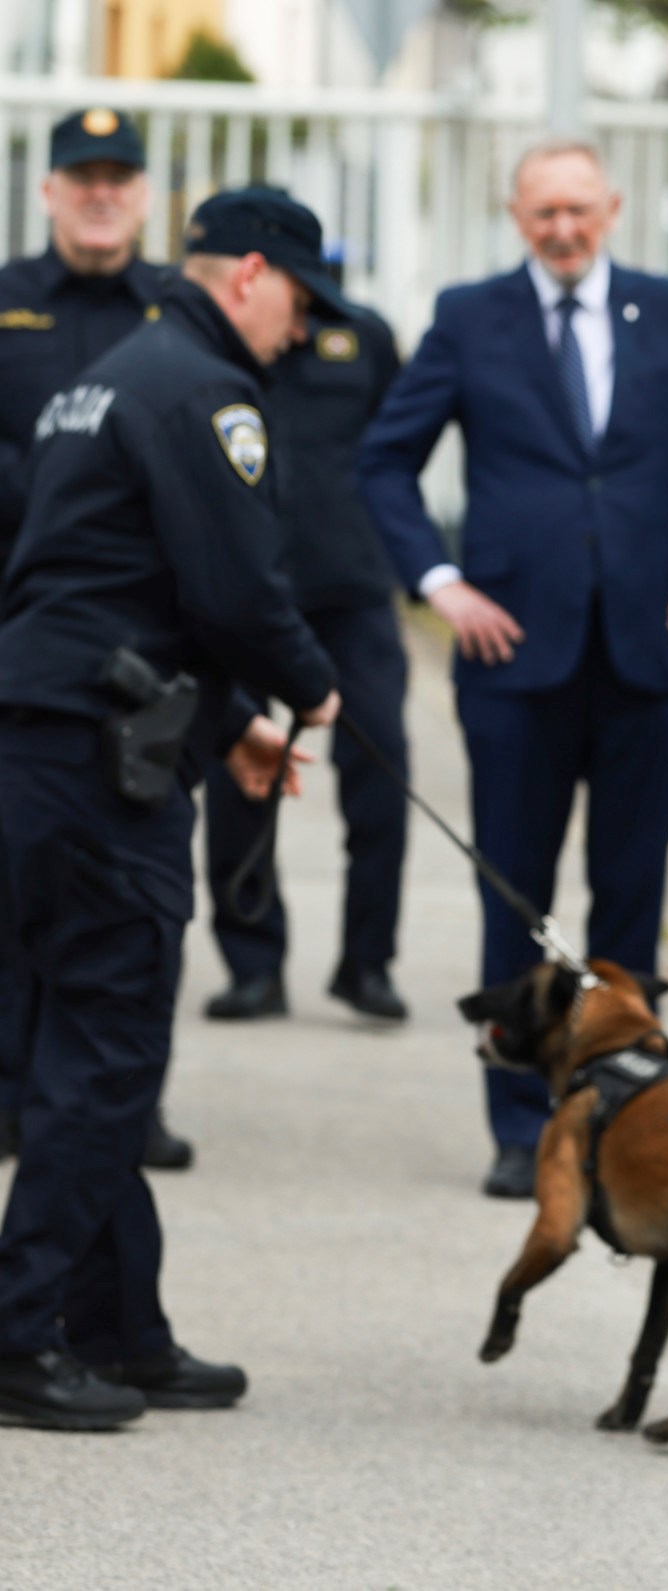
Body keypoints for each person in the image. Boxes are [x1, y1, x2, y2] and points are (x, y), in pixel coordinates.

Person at [357, 138, 668, 1200]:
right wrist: (441, 583)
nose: (563, 228)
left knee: (630, 899)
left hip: (648, 654)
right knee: (515, 896)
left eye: (579, 209)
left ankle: (620, 1120)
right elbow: (385, 460)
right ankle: (520, 1126)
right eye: (543, 211)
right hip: (513, 659)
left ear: (612, 209)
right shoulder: (470, 316)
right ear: (516, 216)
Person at [0, 187, 343, 1430]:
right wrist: (312, 687)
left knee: (77, 1044)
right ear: (249, 273)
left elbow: (102, 577)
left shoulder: (108, 378)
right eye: (298, 300)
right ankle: (18, 1334)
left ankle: (117, 1329)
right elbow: (234, 590)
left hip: (49, 733)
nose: (300, 329)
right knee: (108, 1049)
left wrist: (230, 719)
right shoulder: (207, 391)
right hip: (102, 765)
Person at [0, 107, 192, 1173]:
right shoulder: (6, 301)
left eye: (120, 178)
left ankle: (124, 1102)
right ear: (50, 192)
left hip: (136, 642)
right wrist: (66, 492)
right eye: (84, 178)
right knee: (17, 868)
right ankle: (13, 1090)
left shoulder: (172, 309)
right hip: (15, 622)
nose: (102, 194)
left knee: (128, 880)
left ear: (144, 195)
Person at [202, 299, 411, 1026]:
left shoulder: (365, 336)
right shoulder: (219, 337)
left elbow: (398, 446)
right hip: (245, 590)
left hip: (352, 592)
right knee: (238, 777)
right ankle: (253, 966)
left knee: (382, 772)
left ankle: (368, 963)